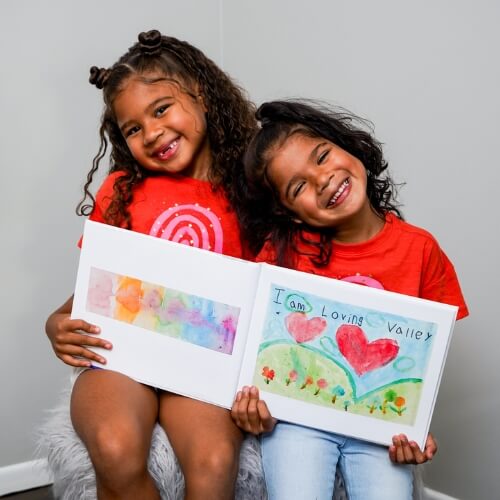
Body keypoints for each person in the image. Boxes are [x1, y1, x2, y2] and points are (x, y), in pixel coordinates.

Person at [45, 29, 256, 500]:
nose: (152, 132)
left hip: (202, 364)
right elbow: (98, 287)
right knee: (113, 445)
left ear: (201, 93)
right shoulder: (121, 190)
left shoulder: (251, 190)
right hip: (120, 359)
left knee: (214, 462)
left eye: (161, 109)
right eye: (133, 129)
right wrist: (56, 322)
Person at [231, 100, 468, 500]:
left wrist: (416, 424)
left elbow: (425, 357)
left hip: (378, 429)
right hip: (298, 421)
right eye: (298, 187)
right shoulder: (280, 255)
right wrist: (252, 405)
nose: (322, 180)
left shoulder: (420, 249)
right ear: (291, 214)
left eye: (322, 156)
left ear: (346, 145)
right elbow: (253, 346)